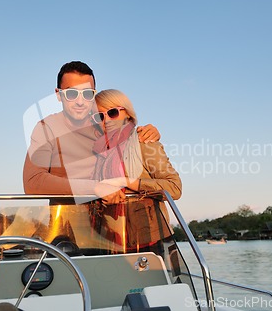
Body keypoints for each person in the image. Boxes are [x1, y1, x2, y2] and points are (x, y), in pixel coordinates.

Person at [23, 61, 159, 196]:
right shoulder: (47, 129)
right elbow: (33, 181)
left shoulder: (102, 123)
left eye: (87, 94)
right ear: (58, 94)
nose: (80, 102)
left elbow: (127, 138)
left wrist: (147, 132)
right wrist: (94, 188)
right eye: (71, 93)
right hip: (68, 215)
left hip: (112, 213)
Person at [90, 89, 181, 252]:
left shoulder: (144, 142)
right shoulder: (97, 153)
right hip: (108, 242)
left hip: (148, 243)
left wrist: (124, 182)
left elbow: (174, 188)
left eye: (112, 112)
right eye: (99, 116)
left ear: (127, 113)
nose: (106, 120)